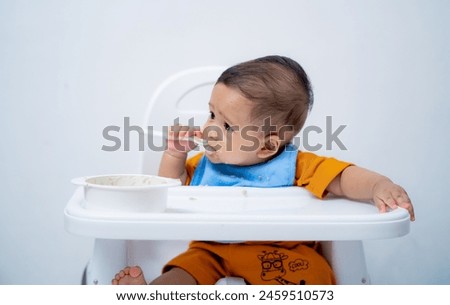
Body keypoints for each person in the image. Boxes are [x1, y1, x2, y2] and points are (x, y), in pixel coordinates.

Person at [112, 55, 415, 285]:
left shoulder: (295, 166)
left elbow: (344, 178)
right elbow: (168, 190)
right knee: (180, 275)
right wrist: (174, 154)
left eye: (226, 125)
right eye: (211, 114)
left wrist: (378, 186)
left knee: (315, 276)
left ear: (267, 147)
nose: (209, 129)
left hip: (280, 254)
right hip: (210, 250)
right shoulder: (204, 165)